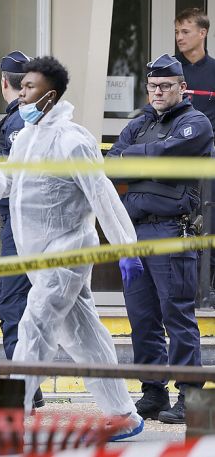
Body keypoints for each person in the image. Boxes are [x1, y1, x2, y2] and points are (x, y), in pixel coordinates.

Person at [0, 56, 144, 440]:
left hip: (68, 252)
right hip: (37, 254)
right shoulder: (26, 138)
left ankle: (11, 412)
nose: (22, 95)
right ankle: (124, 415)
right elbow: (9, 188)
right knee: (86, 338)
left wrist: (126, 248)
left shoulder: (72, 140)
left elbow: (102, 194)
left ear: (50, 96)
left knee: (34, 325)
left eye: (29, 88)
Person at [107, 54, 213, 424]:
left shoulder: (195, 122)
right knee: (143, 318)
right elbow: (112, 161)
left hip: (172, 232)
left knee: (177, 316)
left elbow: (169, 153)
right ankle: (153, 392)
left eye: (165, 86)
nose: (158, 92)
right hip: (135, 232)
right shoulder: (139, 124)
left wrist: (135, 161)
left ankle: (191, 396)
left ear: (182, 87)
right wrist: (142, 161)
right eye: (152, 87)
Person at [0, 50, 45, 408]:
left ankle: (25, 387)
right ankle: (29, 384)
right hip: (32, 222)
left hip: (22, 225)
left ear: (4, 81)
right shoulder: (25, 117)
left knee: (11, 301)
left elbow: (16, 176)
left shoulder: (18, 120)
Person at [174, 7, 215, 307]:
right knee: (179, 226)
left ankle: (208, 291)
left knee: (210, 224)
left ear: (203, 33)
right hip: (177, 164)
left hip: (209, 163)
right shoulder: (170, 72)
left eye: (185, 31)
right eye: (176, 32)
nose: (179, 37)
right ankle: (181, 291)